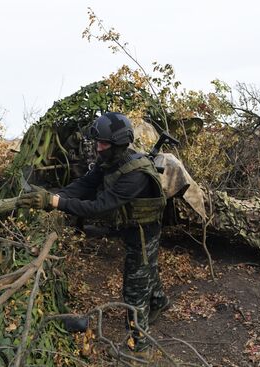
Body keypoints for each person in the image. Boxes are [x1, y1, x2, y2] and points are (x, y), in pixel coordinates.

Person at [19, 112, 170, 355]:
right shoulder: (110, 160)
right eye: (97, 143)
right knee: (147, 269)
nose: (98, 148)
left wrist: (57, 203)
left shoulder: (134, 175)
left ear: (119, 144)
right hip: (133, 227)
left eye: (103, 144)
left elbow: (98, 206)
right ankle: (160, 301)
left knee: (134, 289)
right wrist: (56, 196)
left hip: (143, 232)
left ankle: (140, 349)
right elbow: (86, 184)